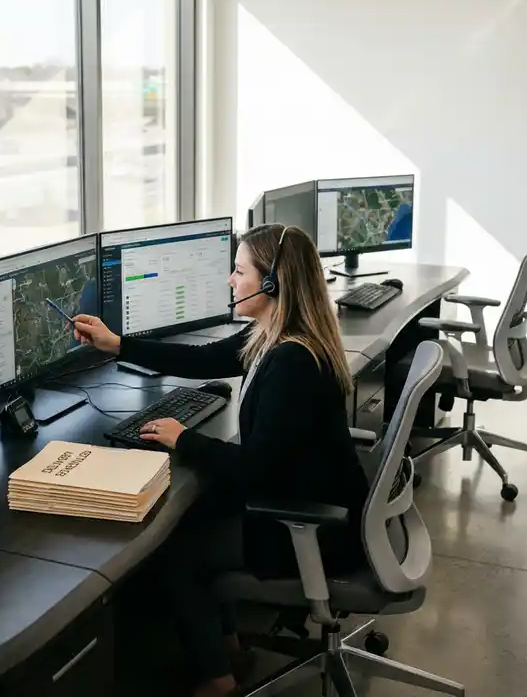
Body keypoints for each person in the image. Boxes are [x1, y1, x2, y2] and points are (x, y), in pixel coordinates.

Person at [72, 224, 368, 697]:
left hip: (313, 526)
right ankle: (227, 646)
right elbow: (204, 360)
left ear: (272, 284)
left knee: (178, 553)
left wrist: (184, 439)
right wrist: (119, 345)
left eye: (239, 270)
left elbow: (257, 469)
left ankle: (218, 679)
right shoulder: (276, 334)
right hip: (311, 500)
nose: (231, 281)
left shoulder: (292, 362)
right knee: (193, 519)